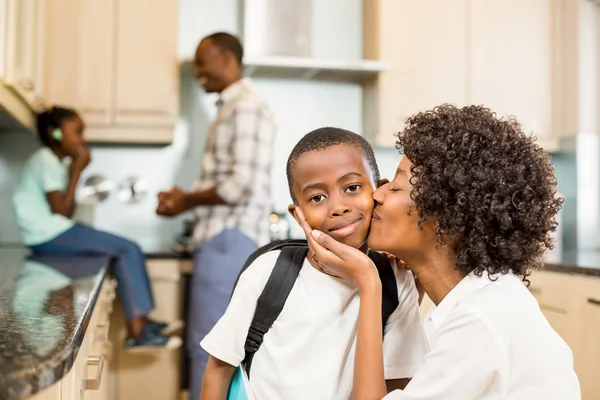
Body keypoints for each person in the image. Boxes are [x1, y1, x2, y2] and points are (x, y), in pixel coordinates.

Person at [297, 105, 581, 399]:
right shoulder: (481, 300)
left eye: (395, 188)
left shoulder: (479, 321)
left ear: (449, 217)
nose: (377, 195)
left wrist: (370, 284)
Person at [199, 127, 427, 400]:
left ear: (378, 193)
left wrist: (373, 282)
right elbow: (218, 370)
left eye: (352, 188)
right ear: (298, 214)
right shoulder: (268, 271)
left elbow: (396, 388)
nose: (338, 207)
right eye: (317, 198)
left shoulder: (396, 281)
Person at [155, 32, 277, 399]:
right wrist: (187, 200)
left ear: (227, 59)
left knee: (209, 348)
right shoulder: (232, 107)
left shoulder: (246, 107)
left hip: (229, 238)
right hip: (226, 239)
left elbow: (240, 185)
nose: (198, 72)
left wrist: (186, 202)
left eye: (202, 62)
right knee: (214, 346)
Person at [13, 106, 180, 350]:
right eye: (78, 132)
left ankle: (142, 321)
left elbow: (63, 211)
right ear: (55, 134)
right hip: (47, 233)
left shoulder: (54, 162)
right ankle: (138, 331)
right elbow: (62, 211)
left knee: (127, 248)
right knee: (127, 248)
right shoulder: (46, 160)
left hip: (50, 233)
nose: (83, 139)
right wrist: (77, 170)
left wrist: (73, 169)